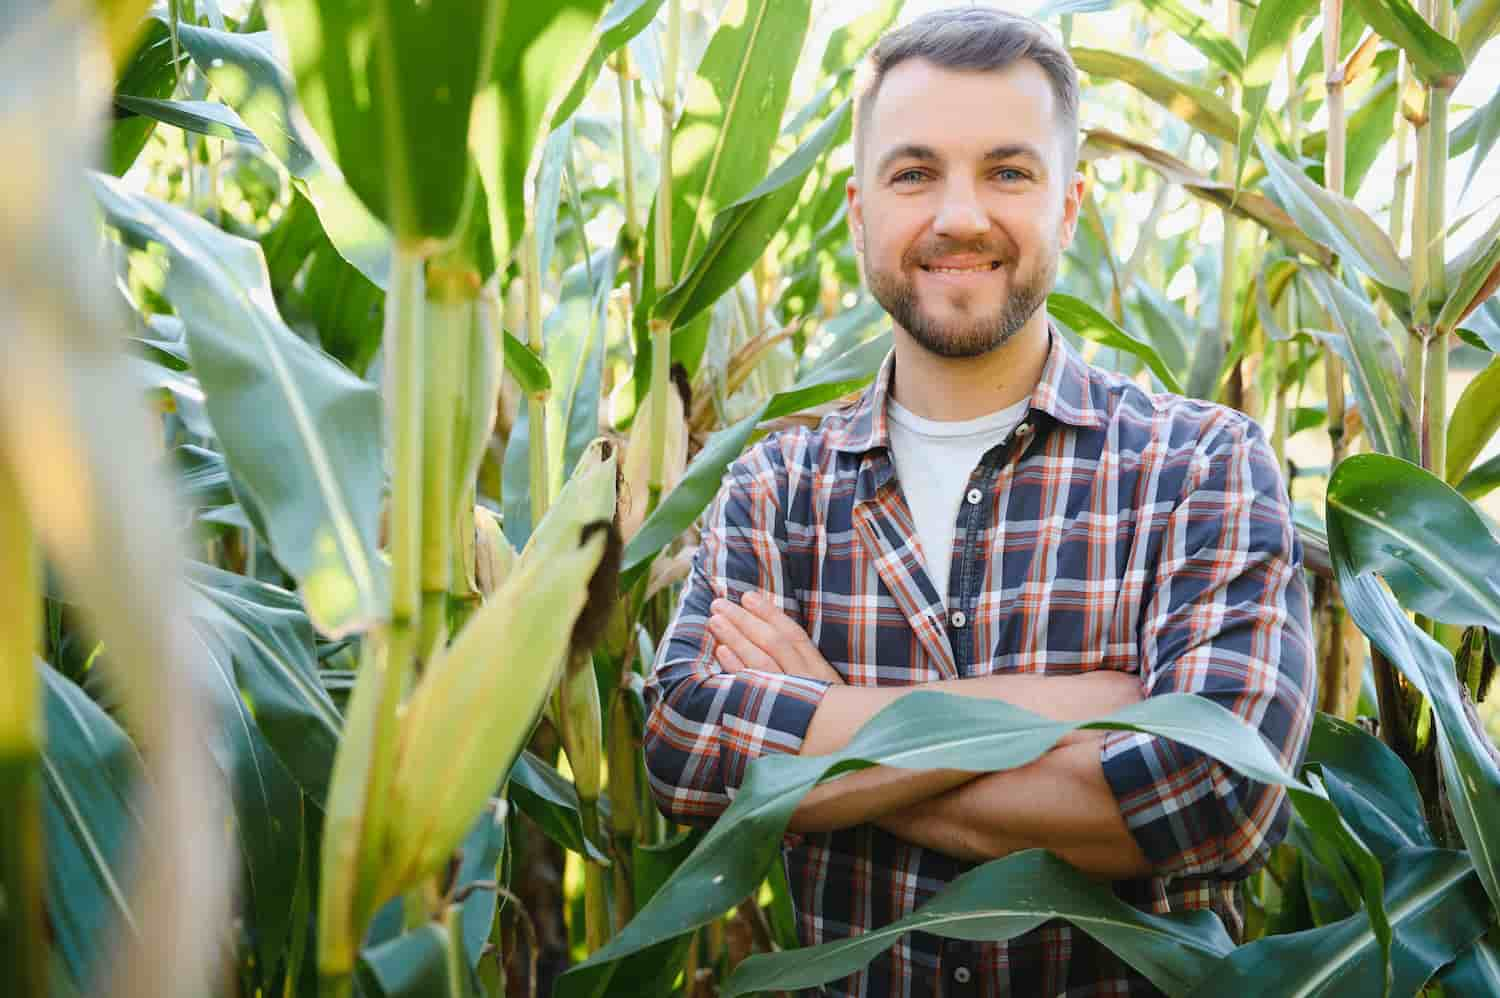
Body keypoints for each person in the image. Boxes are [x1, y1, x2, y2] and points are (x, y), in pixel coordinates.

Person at [641, 7, 1316, 996]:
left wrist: (818, 735)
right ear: (858, 210)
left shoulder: (1202, 466)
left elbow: (1218, 789)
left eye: (1007, 170)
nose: (959, 215)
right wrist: (1086, 711)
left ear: (1071, 204)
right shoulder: (774, 488)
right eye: (915, 173)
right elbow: (688, 747)